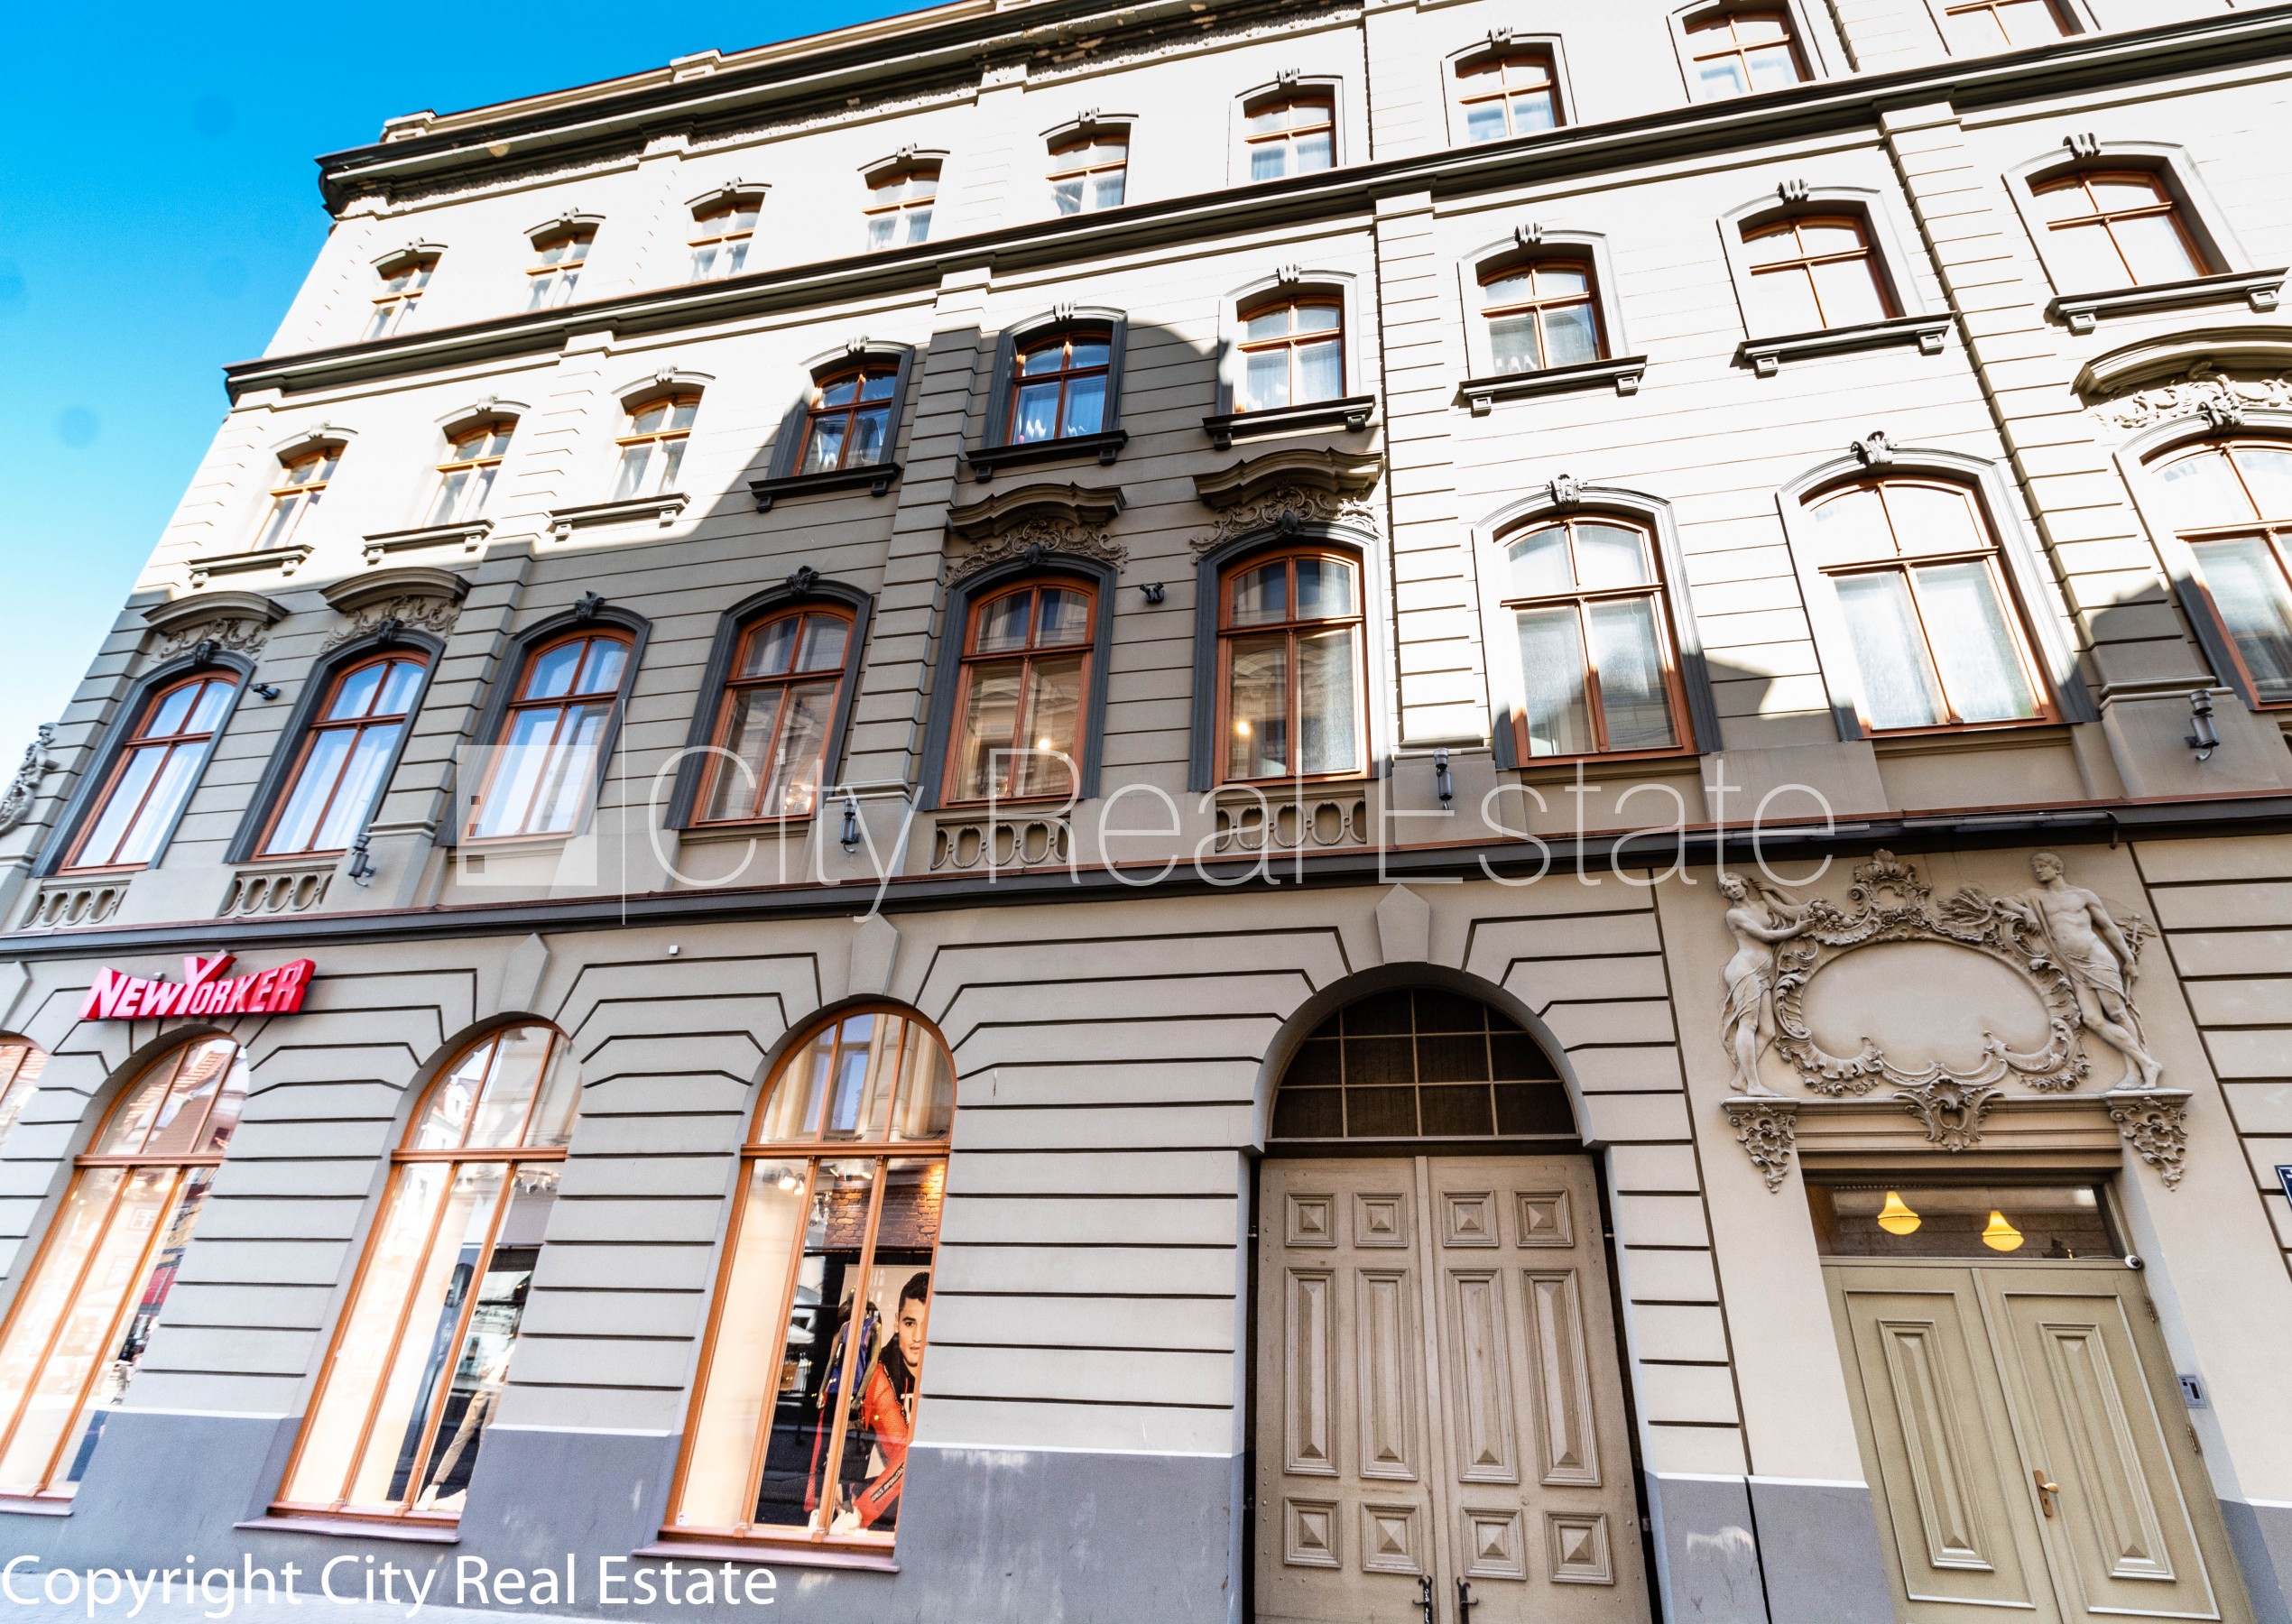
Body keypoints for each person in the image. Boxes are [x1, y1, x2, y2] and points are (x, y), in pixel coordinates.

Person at [1999, 852, 2162, 1089]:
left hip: (2098, 958)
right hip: (2074, 965)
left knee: (2117, 1013)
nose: (2038, 870)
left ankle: (2135, 1071)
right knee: (2093, 1020)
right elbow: (2003, 902)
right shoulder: (2035, 896)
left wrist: (2128, 960)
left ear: (2057, 868)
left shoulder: (2083, 896)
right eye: (2035, 867)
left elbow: (2108, 927)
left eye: (2043, 866)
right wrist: (2026, 911)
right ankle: (2147, 1063)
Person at [1717, 872, 1815, 1097]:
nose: (1732, 891)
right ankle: (1753, 1085)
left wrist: (1773, 889)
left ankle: (1741, 1078)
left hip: (1762, 973)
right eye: (1727, 890)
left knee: (1768, 1031)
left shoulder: (1763, 905)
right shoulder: (1734, 914)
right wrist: (1796, 931)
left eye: (1734, 886)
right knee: (1748, 1024)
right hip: (1744, 969)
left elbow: (1797, 911)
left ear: (1744, 885)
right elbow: (1764, 935)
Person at [846, 1272, 929, 1530]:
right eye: (909, 1323)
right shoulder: (880, 1372)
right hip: (880, 1501)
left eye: (926, 1325)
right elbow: (907, 1457)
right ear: (896, 1323)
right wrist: (860, 1513)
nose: (917, 1336)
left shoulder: (946, 1373)